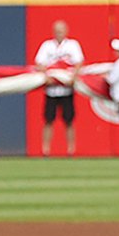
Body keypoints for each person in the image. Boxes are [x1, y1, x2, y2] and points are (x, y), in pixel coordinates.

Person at [33, 20, 83, 156]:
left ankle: (71, 149)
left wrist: (73, 77)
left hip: (67, 89)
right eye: (56, 30)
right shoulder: (47, 46)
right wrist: (46, 75)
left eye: (61, 30)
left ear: (66, 31)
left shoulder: (72, 45)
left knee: (69, 120)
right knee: (48, 120)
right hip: (51, 90)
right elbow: (39, 63)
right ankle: (46, 150)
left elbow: (78, 62)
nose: (58, 33)